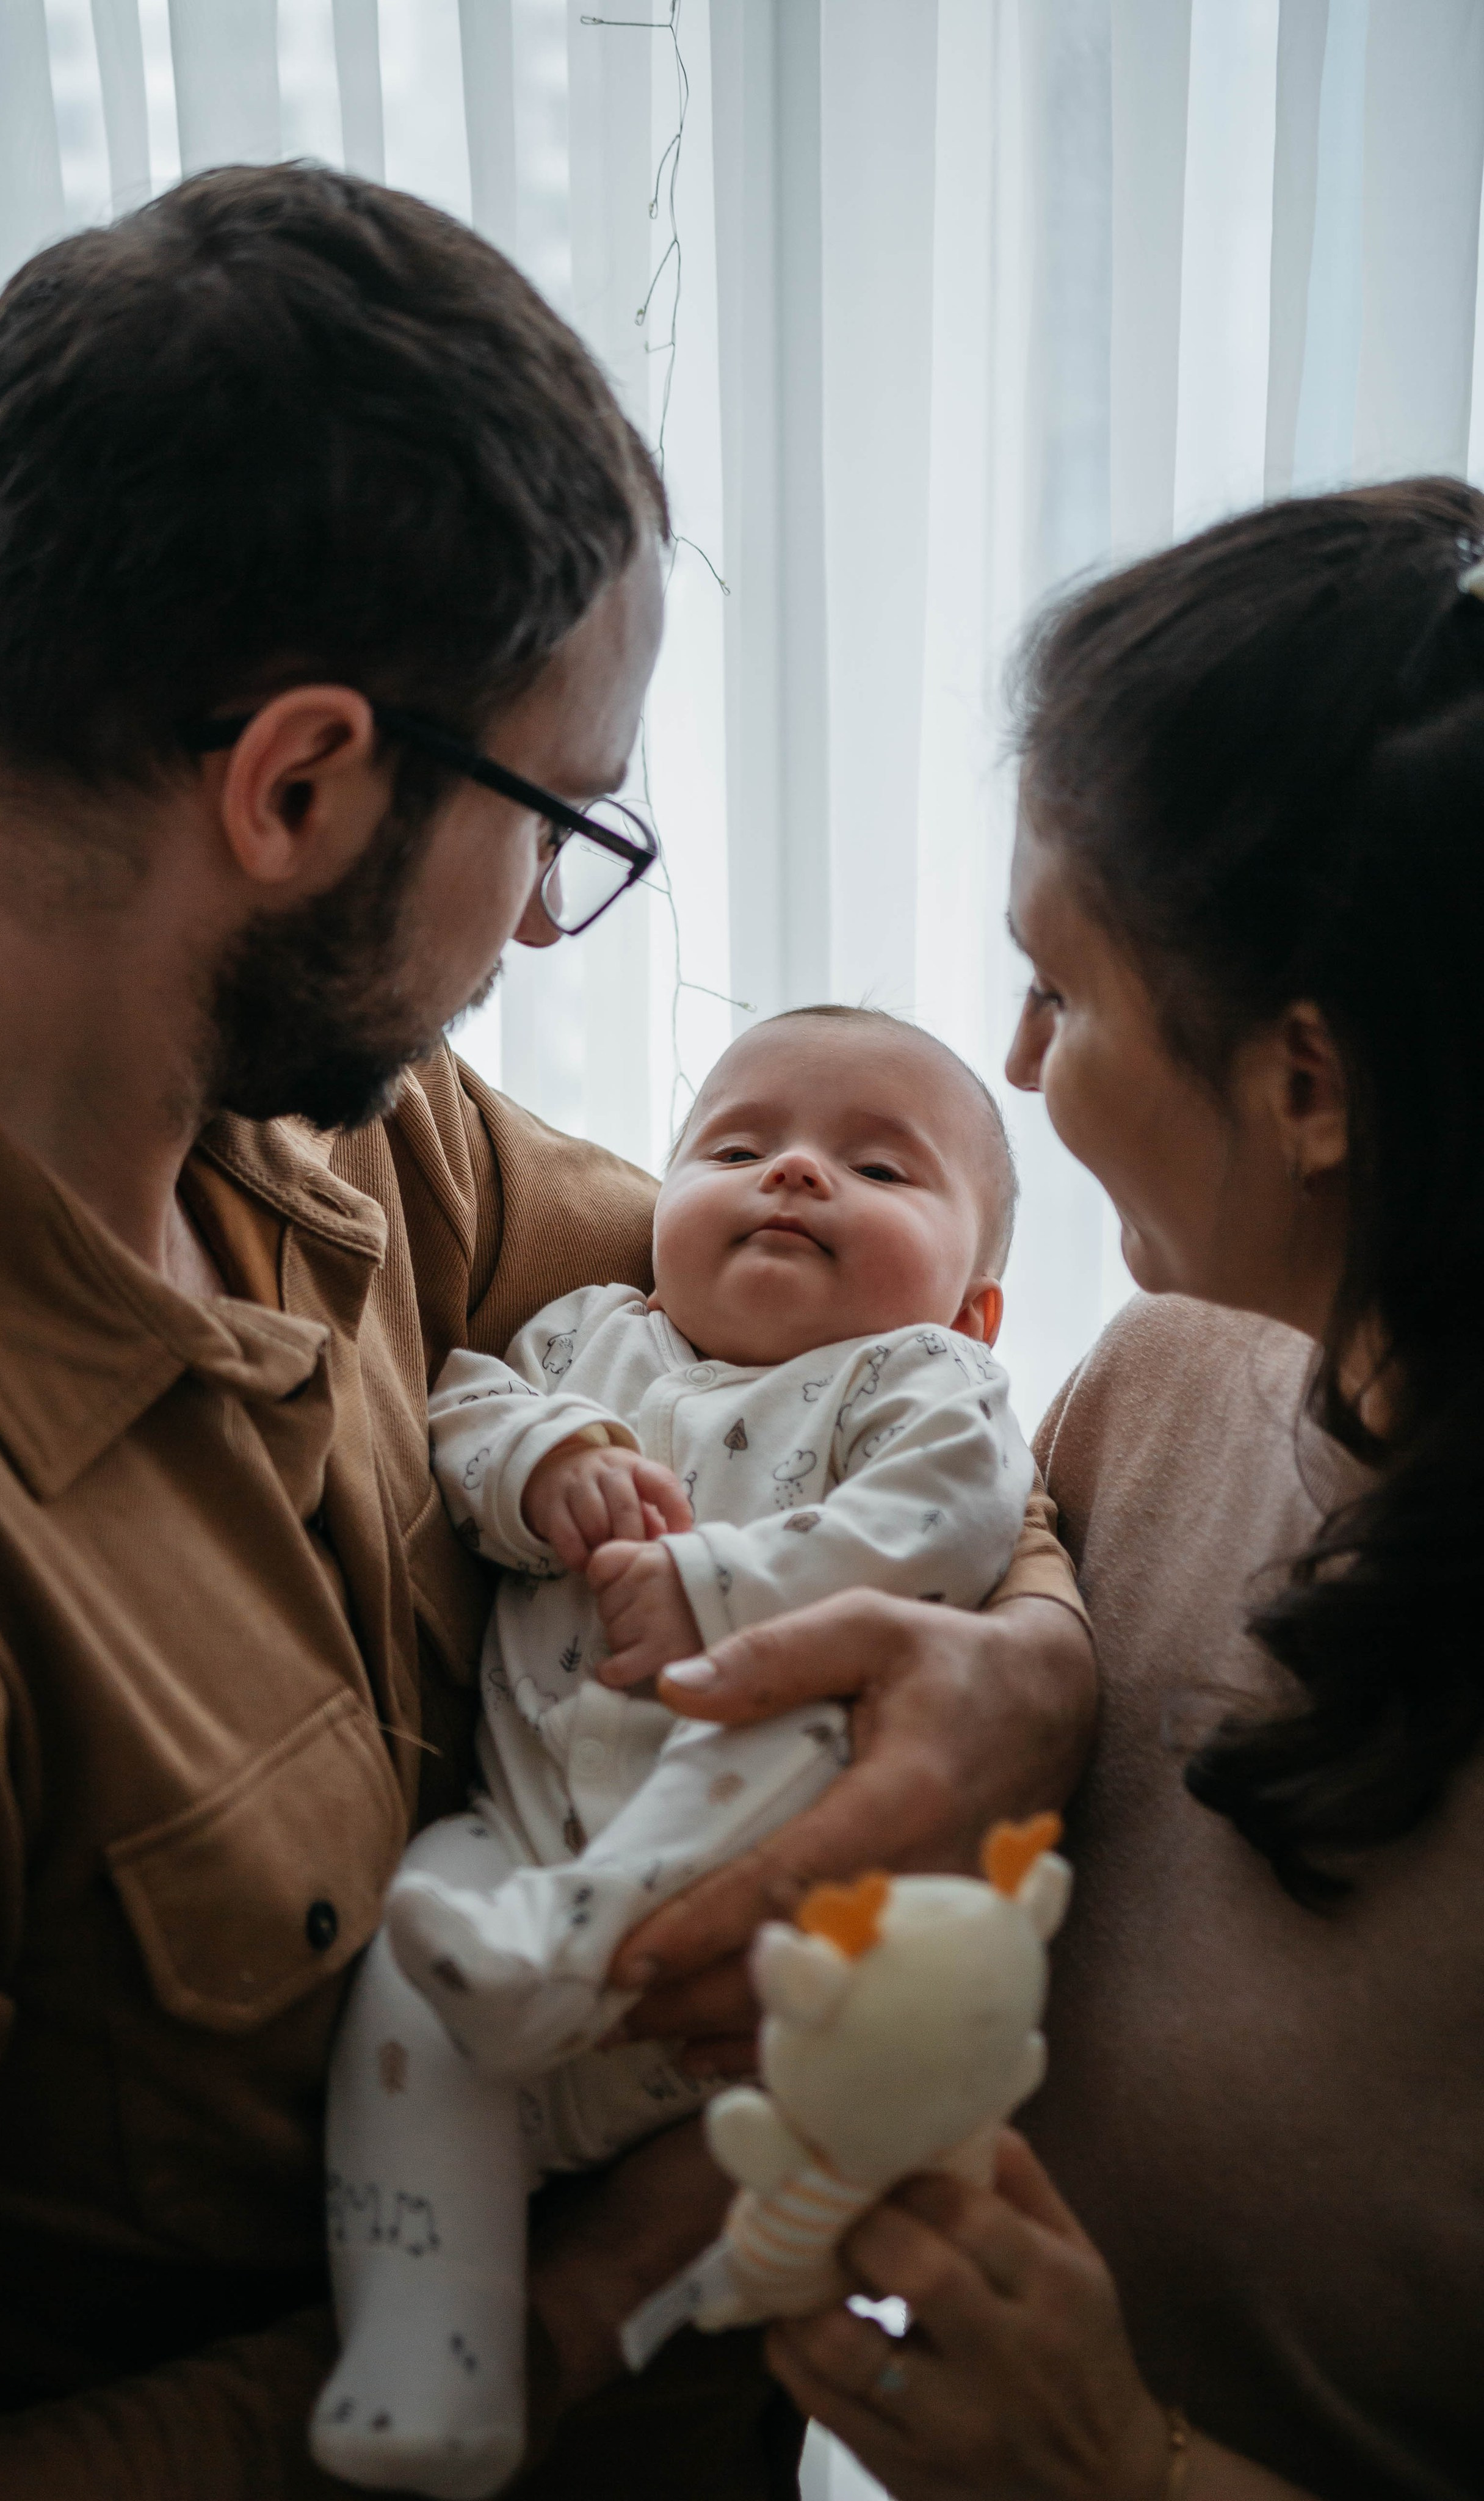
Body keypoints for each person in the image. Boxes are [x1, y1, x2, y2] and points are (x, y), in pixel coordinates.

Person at [0, 164, 1097, 2498]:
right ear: (296, 783)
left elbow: (875, 1359)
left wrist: (1026, 1666)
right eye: (556, 820)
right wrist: (586, 2300)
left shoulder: (346, 1130)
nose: (543, 933)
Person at [717, 479, 1484, 2499]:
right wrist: (1033, 1656)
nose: (1012, 1051)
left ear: (1306, 1083)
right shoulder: (1145, 1387)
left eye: (1062, 992)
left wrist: (1114, 2469)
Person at [317, 1004, 1041, 2495]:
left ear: (973, 1307)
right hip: (516, 1867)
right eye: (735, 1145)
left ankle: (573, 1948)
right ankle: (431, 2346)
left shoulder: (915, 1381)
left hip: (734, 1939)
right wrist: (544, 1460)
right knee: (408, 1950)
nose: (790, 1174)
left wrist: (713, 1585)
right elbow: (460, 1404)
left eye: (878, 1168)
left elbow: (946, 1522)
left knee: (768, 1718)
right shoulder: (595, 1336)